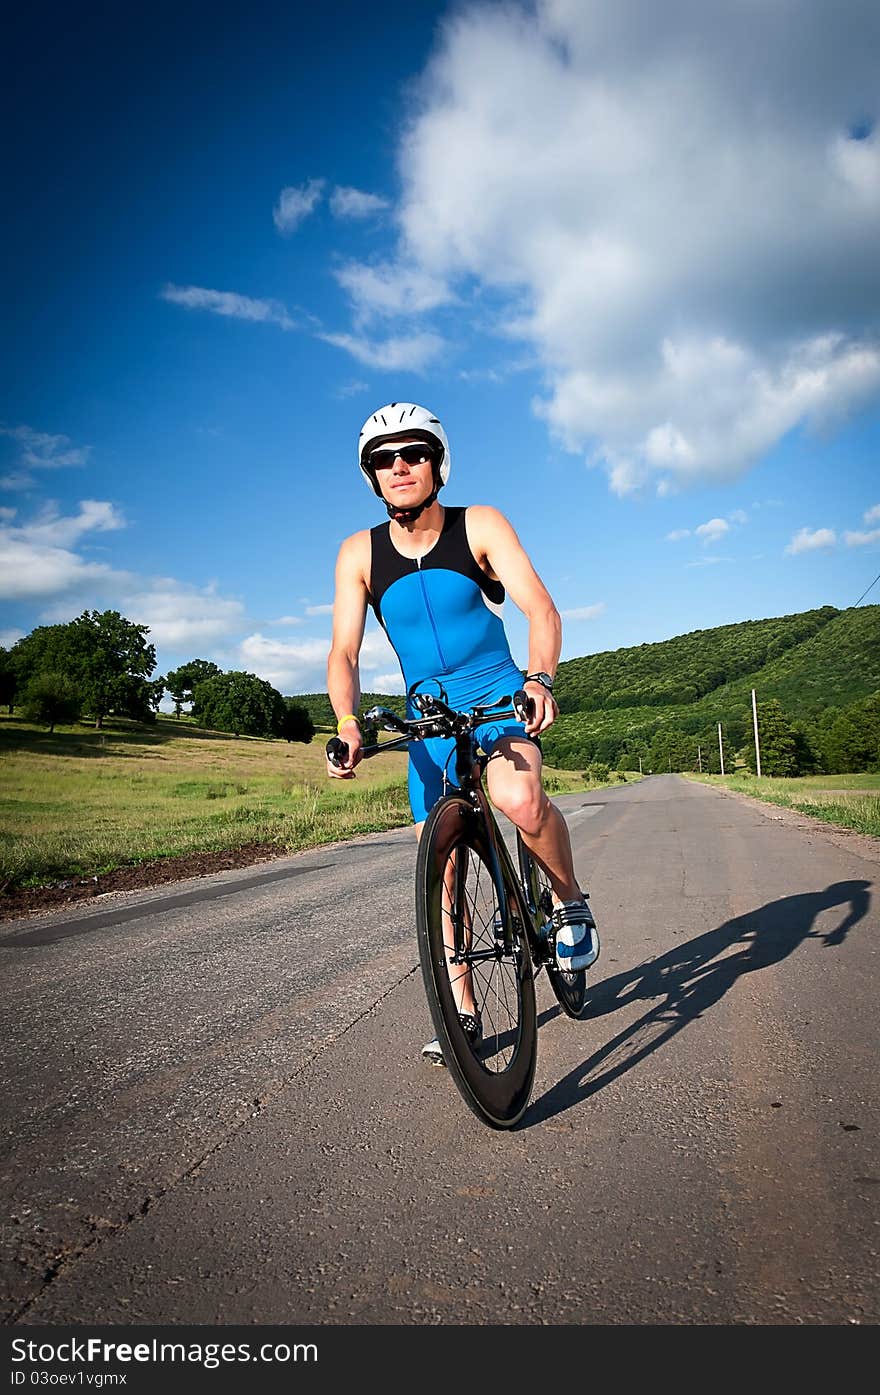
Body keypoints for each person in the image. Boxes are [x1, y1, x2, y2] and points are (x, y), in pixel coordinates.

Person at [326, 402, 599, 1064]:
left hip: (497, 697)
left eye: (413, 453)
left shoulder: (479, 524)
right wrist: (346, 723)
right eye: (383, 460)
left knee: (520, 800)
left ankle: (568, 904)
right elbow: (345, 653)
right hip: (427, 719)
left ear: (437, 462)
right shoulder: (359, 552)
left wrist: (539, 679)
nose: (399, 467)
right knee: (441, 873)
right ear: (371, 476)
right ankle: (465, 1014)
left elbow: (541, 608)